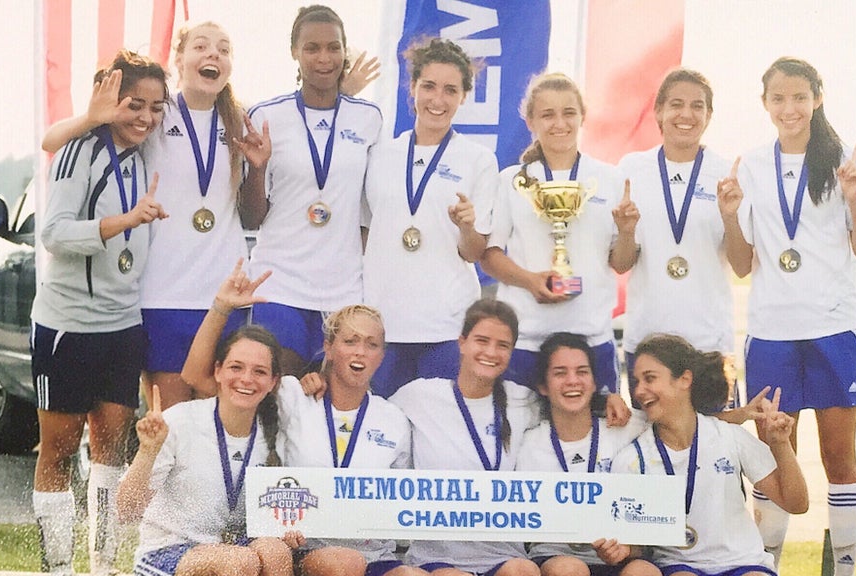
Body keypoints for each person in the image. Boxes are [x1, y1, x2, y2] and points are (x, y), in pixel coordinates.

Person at [182, 264, 444, 576]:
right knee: (344, 564)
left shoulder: (393, 419)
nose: (360, 351)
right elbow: (199, 378)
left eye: (371, 344)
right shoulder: (292, 395)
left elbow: (399, 500)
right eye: (350, 341)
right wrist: (221, 307)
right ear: (329, 347)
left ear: (382, 354)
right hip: (304, 555)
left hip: (373, 558)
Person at [717, 56, 856, 576]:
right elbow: (742, 266)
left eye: (799, 97)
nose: (789, 109)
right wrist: (732, 216)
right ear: (764, 104)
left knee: (839, 457)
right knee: (770, 458)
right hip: (772, 335)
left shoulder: (842, 161)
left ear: (817, 97)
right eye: (778, 99)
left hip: (833, 330)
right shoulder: (752, 165)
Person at [41, 23, 251, 410]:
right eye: (201, 46)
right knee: (171, 425)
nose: (213, 55)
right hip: (162, 291)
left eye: (224, 49)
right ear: (179, 59)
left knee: (221, 421)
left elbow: (254, 212)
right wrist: (90, 117)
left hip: (224, 292)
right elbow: (52, 141)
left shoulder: (240, 119)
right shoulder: (157, 113)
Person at [30, 50, 168, 576]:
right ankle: (60, 572)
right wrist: (126, 222)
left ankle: (105, 568)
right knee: (58, 453)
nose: (146, 117)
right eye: (134, 104)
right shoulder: (79, 151)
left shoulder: (145, 150)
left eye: (156, 107)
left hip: (122, 325)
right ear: (106, 99)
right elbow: (55, 234)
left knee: (110, 451)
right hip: (68, 328)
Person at [614, 333, 808, 576]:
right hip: (680, 566)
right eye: (635, 381)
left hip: (744, 563)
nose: (639, 391)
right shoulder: (632, 458)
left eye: (650, 378)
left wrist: (781, 444)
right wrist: (622, 548)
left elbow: (796, 503)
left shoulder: (728, 437)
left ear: (684, 379)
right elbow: (633, 544)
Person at [119, 326, 299, 576]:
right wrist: (147, 452)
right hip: (169, 557)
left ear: (273, 383)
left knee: (275, 552)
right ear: (217, 371)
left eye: (260, 372)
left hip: (234, 556)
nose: (246, 379)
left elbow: (273, 521)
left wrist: (286, 531)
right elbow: (127, 510)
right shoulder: (180, 422)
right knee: (240, 563)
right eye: (236, 367)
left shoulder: (274, 436)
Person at [238, 4, 383, 376]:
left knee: (332, 403)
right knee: (279, 395)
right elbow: (251, 217)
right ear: (294, 52)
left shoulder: (369, 117)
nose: (324, 58)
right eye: (312, 48)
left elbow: (370, 209)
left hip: (343, 291)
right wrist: (256, 170)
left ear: (344, 51)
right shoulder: (266, 115)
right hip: (280, 284)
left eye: (333, 47)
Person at [391, 299, 546, 576]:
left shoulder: (525, 402)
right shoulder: (418, 396)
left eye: (502, 345)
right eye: (481, 340)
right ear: (461, 342)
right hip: (435, 557)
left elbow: (573, 413)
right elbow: (363, 412)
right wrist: (317, 381)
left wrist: (607, 401)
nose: (491, 352)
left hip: (501, 556)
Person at [480, 73, 626, 418]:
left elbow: (621, 262)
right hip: (526, 339)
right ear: (531, 121)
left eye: (568, 113)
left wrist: (629, 231)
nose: (559, 123)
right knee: (516, 448)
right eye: (547, 115)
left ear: (582, 117)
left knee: (597, 448)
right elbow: (490, 256)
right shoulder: (512, 180)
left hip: (591, 338)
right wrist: (530, 280)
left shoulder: (610, 178)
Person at [363, 38, 498, 397]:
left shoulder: (478, 159)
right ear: (412, 88)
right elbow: (366, 233)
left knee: (438, 439)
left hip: (446, 324)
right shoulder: (380, 154)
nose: (438, 100)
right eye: (429, 87)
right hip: (384, 324)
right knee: (383, 435)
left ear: (463, 97)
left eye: (450, 90)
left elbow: (473, 252)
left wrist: (467, 226)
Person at [516, 332, 663, 576]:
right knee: (570, 573)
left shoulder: (628, 427)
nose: (573, 381)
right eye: (560, 373)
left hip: (617, 560)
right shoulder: (528, 442)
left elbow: (684, 425)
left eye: (582, 372)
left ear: (597, 382)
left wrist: (630, 547)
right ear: (542, 386)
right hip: (554, 561)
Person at [613, 68, 738, 409]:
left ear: (709, 115)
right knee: (652, 455)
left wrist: (731, 217)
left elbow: (743, 265)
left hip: (708, 343)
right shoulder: (631, 169)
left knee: (713, 453)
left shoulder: (726, 173)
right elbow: (620, 263)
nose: (686, 114)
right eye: (676, 104)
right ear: (659, 111)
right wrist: (625, 232)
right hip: (648, 341)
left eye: (697, 106)